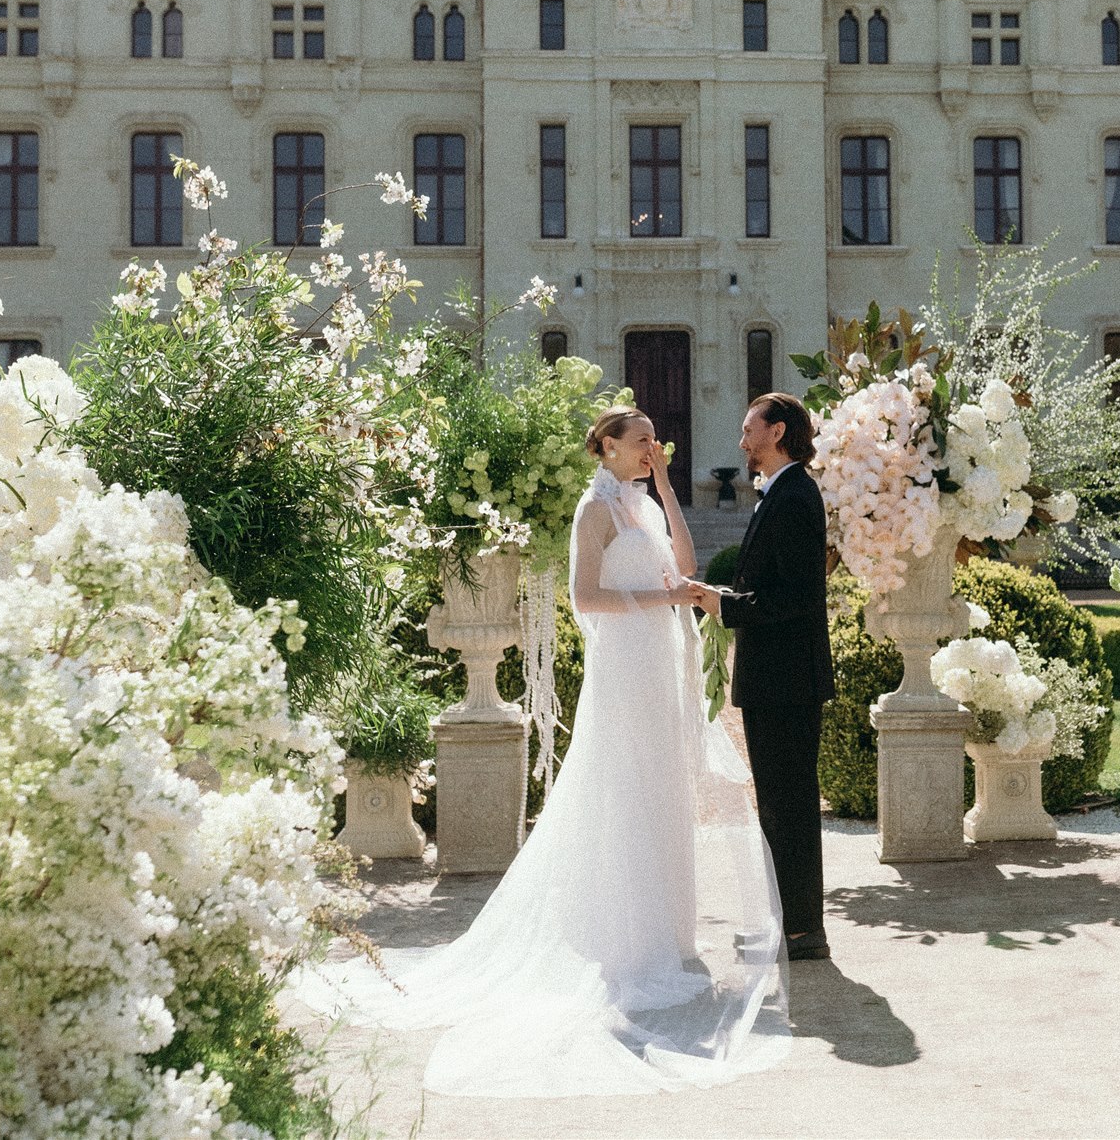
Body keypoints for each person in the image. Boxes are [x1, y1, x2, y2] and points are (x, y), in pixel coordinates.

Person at [301, 406, 790, 1097]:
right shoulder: (594, 511)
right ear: (608, 446)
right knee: (622, 791)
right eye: (641, 439)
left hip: (659, 663)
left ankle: (670, 938)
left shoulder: (643, 500)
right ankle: (626, 942)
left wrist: (671, 493)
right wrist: (662, 598)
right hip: (624, 666)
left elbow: (685, 564)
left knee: (662, 792)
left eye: (655, 437)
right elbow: (588, 598)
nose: (653, 446)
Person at [689, 392, 835, 962]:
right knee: (776, 801)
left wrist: (725, 606)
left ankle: (802, 931)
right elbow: (771, 587)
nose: (743, 439)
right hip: (777, 675)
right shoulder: (777, 493)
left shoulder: (795, 495)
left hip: (788, 677)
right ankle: (788, 923)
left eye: (750, 428)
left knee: (790, 802)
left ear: (777, 432)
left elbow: (798, 596)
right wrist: (722, 597)